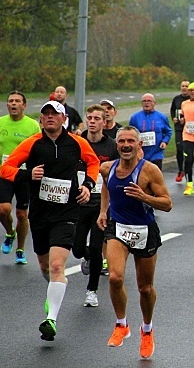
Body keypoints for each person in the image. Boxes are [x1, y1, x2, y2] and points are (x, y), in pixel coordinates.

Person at [0, 100, 99, 341]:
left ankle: (51, 319)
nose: (49, 118)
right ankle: (53, 292)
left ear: (64, 119)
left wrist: (88, 185)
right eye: (45, 114)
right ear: (41, 120)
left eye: (54, 114)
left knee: (57, 266)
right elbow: (6, 168)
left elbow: (94, 163)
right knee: (45, 267)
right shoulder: (32, 144)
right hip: (40, 213)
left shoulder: (77, 143)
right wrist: (26, 174)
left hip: (67, 213)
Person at [97, 125, 172, 359]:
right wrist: (103, 212)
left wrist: (144, 196)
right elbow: (106, 190)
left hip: (144, 230)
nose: (126, 145)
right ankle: (121, 325)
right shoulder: (106, 168)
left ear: (139, 145)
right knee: (115, 277)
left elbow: (167, 204)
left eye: (131, 141)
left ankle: (147, 330)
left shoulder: (149, 171)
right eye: (122, 141)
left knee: (145, 288)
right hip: (118, 229)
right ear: (116, 145)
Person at [73, 104, 119, 308]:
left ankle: (91, 291)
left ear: (104, 121)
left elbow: (118, 174)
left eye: (96, 118)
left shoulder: (111, 146)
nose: (92, 121)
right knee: (77, 248)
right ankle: (90, 258)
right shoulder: (76, 142)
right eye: (89, 118)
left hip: (101, 205)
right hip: (78, 203)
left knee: (96, 245)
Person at [0, 90, 41, 264]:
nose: (13, 104)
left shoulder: (32, 125)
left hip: (24, 174)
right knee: (3, 209)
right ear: (7, 105)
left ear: (24, 106)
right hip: (4, 172)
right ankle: (10, 233)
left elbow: (38, 147)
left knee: (21, 214)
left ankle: (20, 249)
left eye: (17, 101)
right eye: (11, 101)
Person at [129, 93, 173, 170]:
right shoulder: (135, 118)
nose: (146, 103)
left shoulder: (162, 117)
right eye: (144, 101)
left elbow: (168, 131)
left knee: (155, 178)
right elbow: (130, 133)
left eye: (149, 101)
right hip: (140, 154)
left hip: (156, 153)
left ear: (154, 103)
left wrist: (164, 141)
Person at [169, 81, 191, 182]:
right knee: (179, 149)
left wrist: (186, 119)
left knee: (187, 150)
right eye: (183, 86)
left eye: (186, 86)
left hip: (189, 128)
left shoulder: (191, 99)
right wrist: (174, 117)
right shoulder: (177, 99)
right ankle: (180, 170)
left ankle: (187, 170)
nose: (184, 88)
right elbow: (173, 110)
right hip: (178, 127)